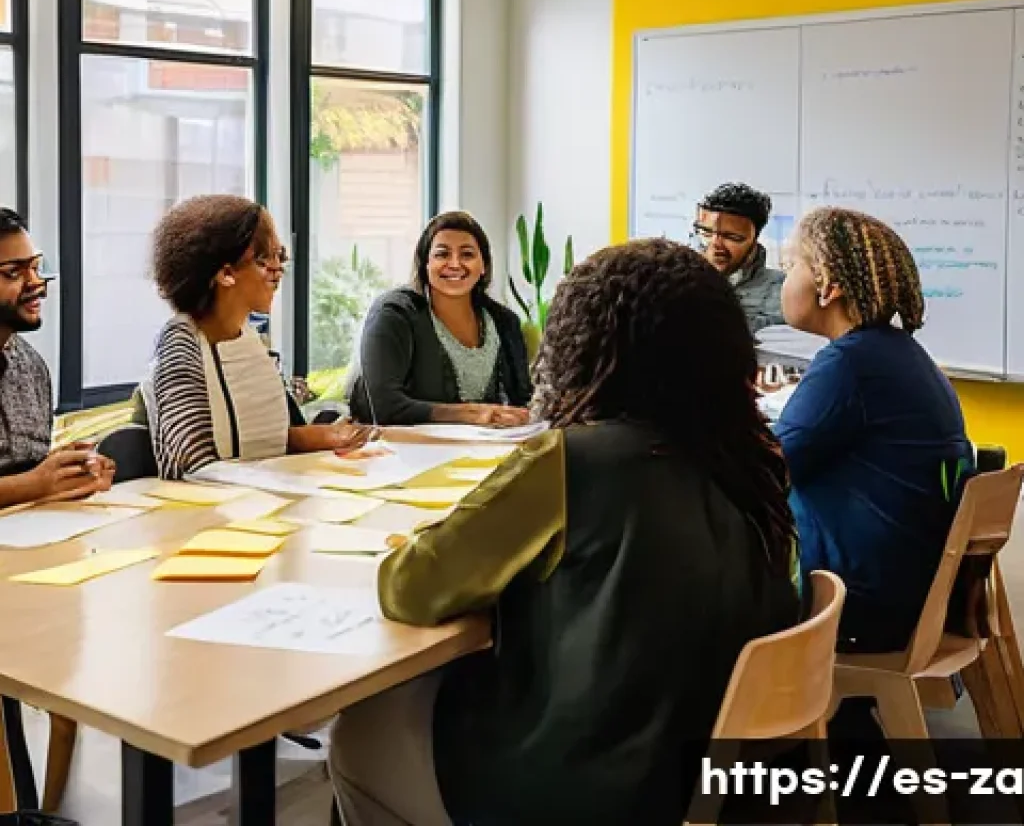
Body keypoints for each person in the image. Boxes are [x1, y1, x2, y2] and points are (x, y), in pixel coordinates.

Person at [329, 238, 799, 826]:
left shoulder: (572, 460)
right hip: (718, 780)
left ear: (585, 342)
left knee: (360, 730)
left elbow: (410, 589)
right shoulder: (751, 458)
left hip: (589, 782)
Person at [775, 207, 974, 654]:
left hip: (856, 601)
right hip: (903, 591)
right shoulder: (900, 354)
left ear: (829, 284)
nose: (782, 281)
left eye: (790, 268)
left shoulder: (850, 363)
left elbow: (767, 467)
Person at [143, 195, 370, 480]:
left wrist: (325, 436)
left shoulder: (249, 339)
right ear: (226, 273)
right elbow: (193, 468)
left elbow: (255, 439)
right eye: (266, 259)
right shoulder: (181, 343)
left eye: (280, 257)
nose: (278, 271)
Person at [347, 211, 532, 427]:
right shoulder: (393, 314)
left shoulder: (505, 322)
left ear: (483, 266)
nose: (454, 264)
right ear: (425, 265)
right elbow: (386, 408)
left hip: (483, 448)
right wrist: (471, 414)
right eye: (442, 254)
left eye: (467, 254)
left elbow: (523, 398)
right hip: (399, 450)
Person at [0, 208, 114, 507]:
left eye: (37, 268)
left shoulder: (31, 366)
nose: (36, 283)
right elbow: (28, 482)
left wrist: (66, 470)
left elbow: (20, 468)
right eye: (14, 272)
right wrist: (35, 484)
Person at [694, 182, 785, 333]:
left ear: (754, 238)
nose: (715, 244)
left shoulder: (783, 292)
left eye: (731, 236)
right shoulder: (678, 281)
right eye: (706, 233)